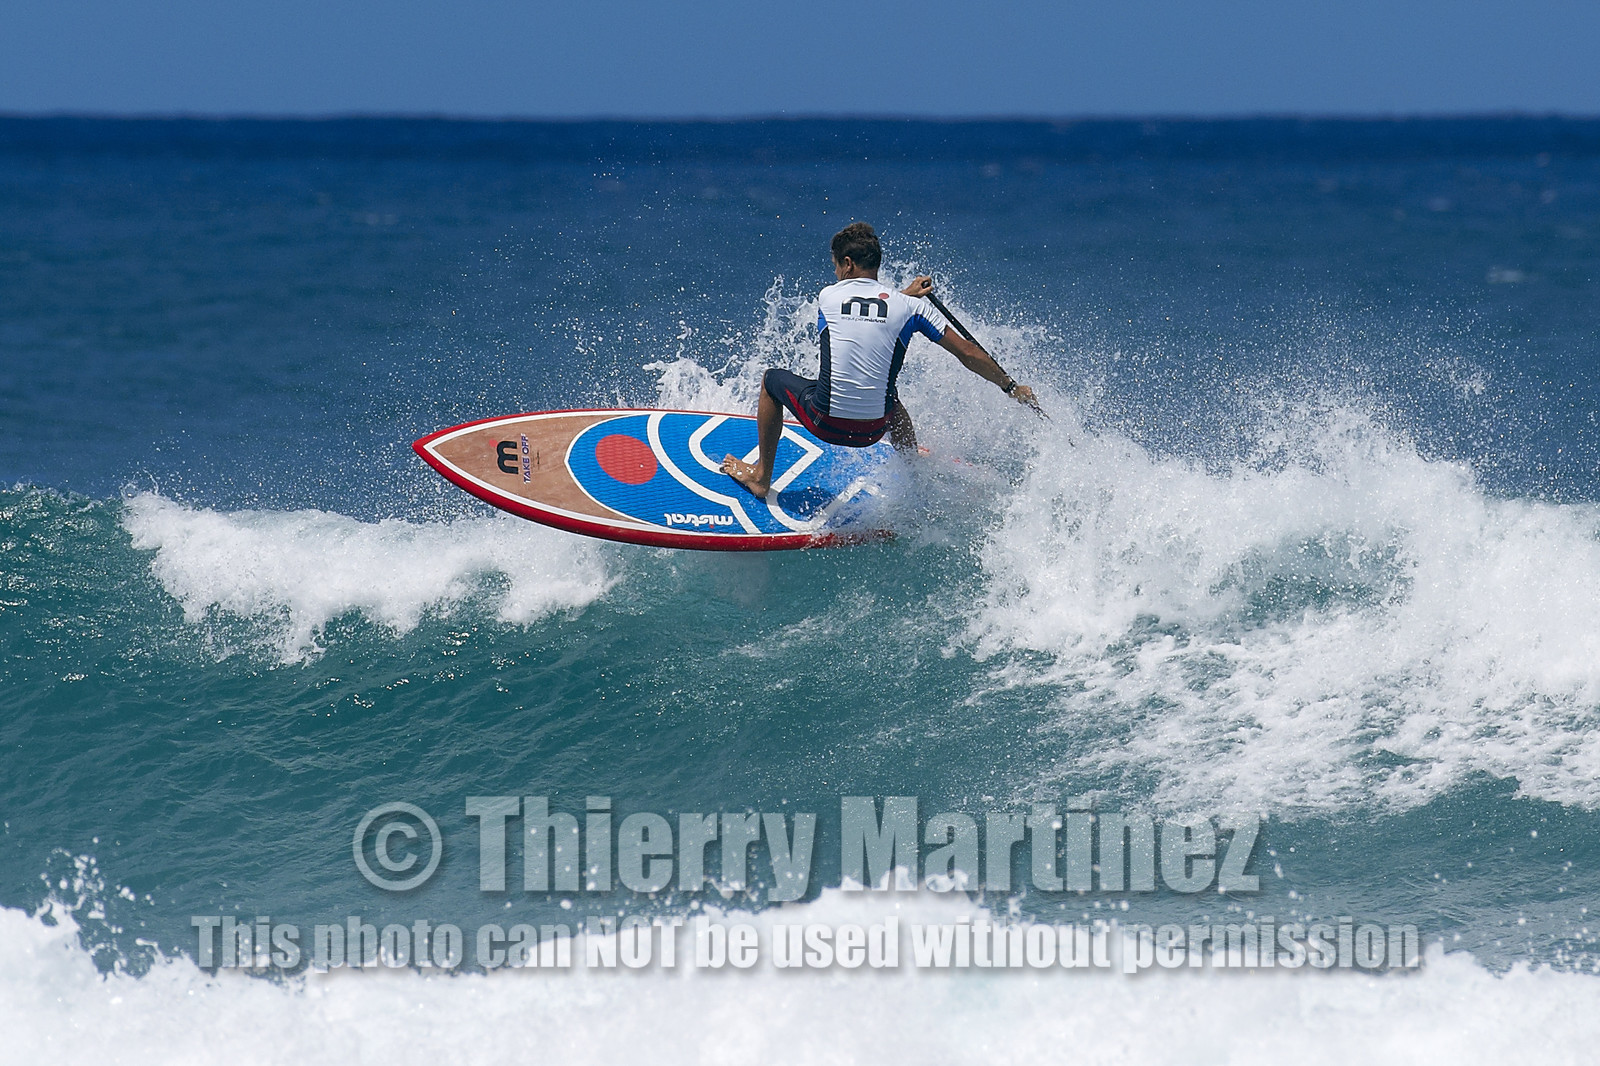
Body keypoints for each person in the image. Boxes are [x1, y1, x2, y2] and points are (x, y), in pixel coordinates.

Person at [721, 222, 1039, 497]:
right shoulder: (911, 308)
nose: (834, 271)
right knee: (893, 405)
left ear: (847, 263)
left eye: (835, 265)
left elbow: (865, 312)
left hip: (825, 423)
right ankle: (913, 474)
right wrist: (1011, 387)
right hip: (873, 431)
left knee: (770, 380)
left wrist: (904, 295)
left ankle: (761, 478)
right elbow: (967, 352)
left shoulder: (828, 296)